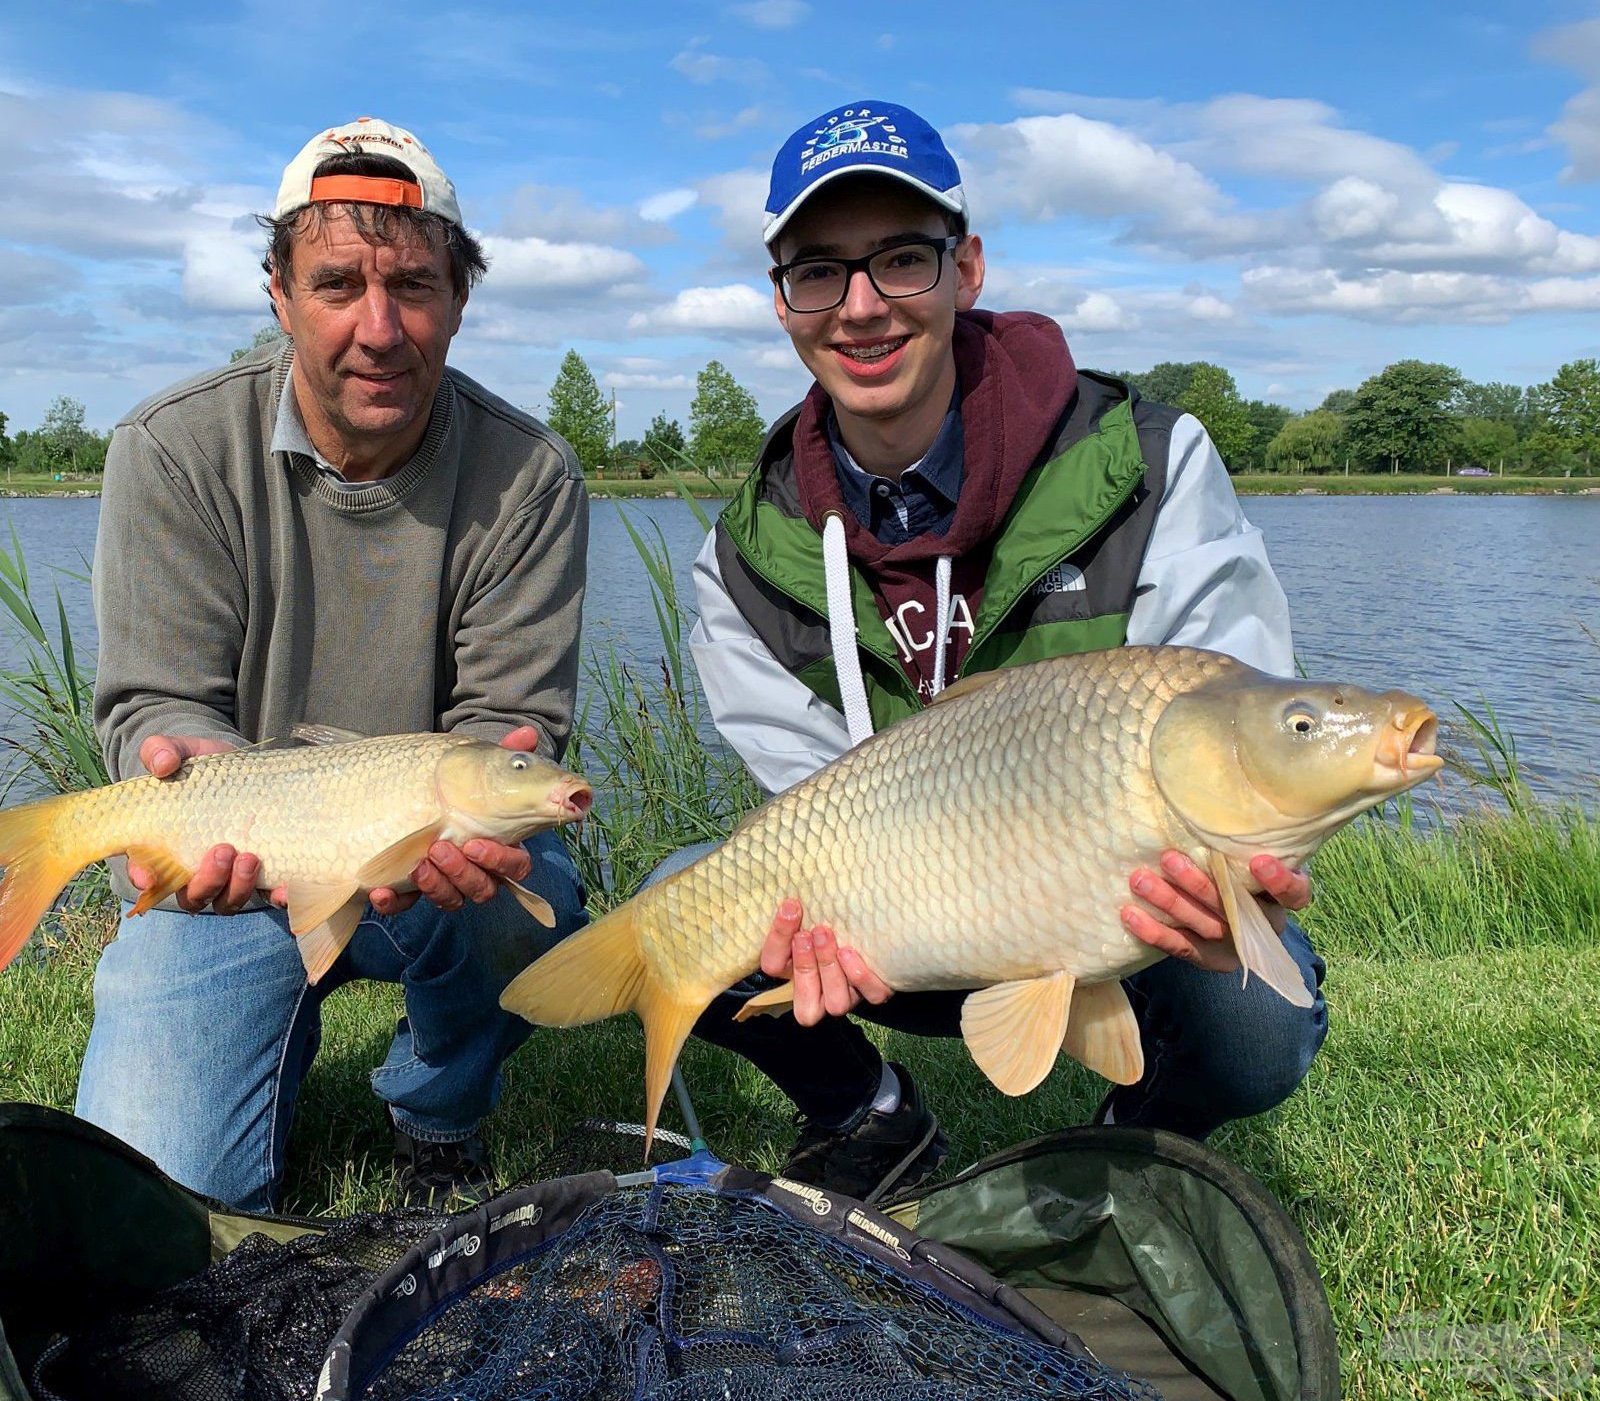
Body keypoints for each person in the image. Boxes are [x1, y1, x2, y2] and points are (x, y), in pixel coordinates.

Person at [664, 100, 1325, 1203]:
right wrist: (834, 925)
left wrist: (1229, 882)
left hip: (1129, 900)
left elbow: (1237, 710)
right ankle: (866, 1112)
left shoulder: (1149, 461)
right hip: (907, 907)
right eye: (820, 273)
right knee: (686, 903)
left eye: (902, 260)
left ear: (966, 268)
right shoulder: (741, 556)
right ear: (782, 305)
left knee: (1257, 1018)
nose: (862, 307)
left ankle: (1142, 1129)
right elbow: (811, 802)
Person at [76, 118, 591, 1212]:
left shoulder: (530, 476)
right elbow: (156, 702)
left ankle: (438, 1109)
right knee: (164, 1212)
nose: (379, 328)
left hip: (435, 869)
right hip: (238, 872)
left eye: (412, 285)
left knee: (525, 890)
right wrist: (190, 785)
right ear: (277, 293)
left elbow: (513, 721)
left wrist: (514, 775)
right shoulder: (170, 447)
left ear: (459, 299)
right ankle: (263, 1033)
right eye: (336, 285)